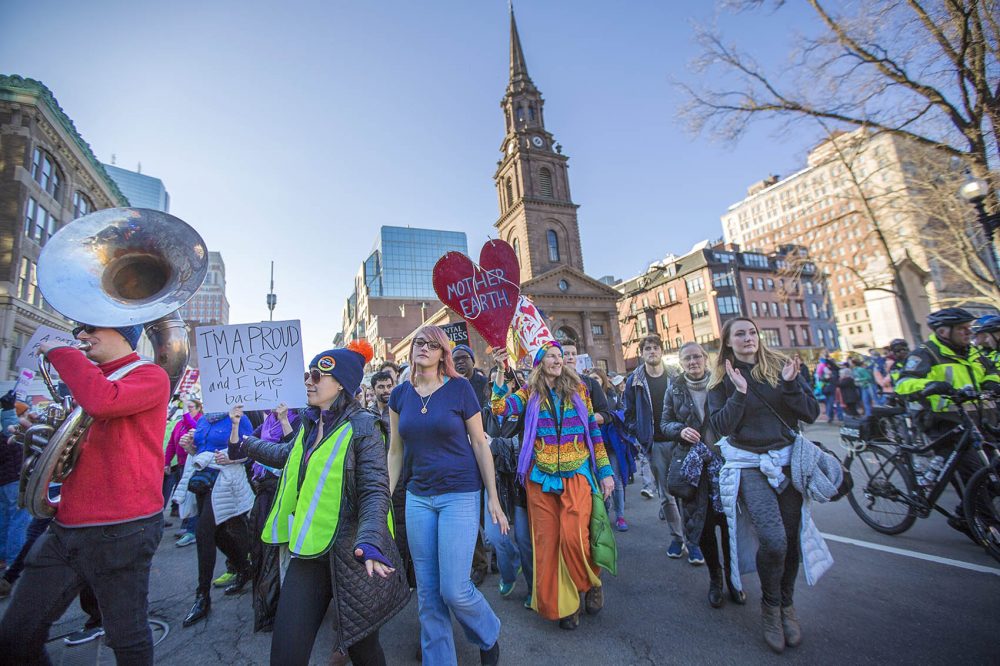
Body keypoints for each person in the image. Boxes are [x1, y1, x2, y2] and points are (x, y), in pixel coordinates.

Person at [0, 323, 168, 664]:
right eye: (78, 330)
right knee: (16, 633)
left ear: (124, 334)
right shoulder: (89, 379)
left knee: (127, 636)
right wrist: (38, 433)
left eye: (91, 329)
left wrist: (58, 351)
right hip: (67, 526)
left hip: (123, 529)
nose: (80, 337)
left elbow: (103, 402)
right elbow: (83, 447)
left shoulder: (151, 375)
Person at [242, 343, 409, 665]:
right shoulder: (309, 422)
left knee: (364, 651)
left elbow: (376, 490)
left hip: (354, 555)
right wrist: (246, 443)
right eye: (308, 374)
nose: (309, 381)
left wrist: (371, 539)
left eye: (318, 375)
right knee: (286, 654)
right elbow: (286, 457)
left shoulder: (364, 427)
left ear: (341, 384)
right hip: (309, 553)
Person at [388, 325, 505, 666]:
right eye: (417, 342)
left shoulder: (460, 389)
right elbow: (395, 451)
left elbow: (481, 445)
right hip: (418, 497)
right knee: (427, 591)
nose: (422, 347)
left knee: (453, 588)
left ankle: (487, 632)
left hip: (460, 494)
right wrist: (384, 496)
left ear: (442, 354)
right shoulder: (400, 395)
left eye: (430, 344)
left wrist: (493, 499)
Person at [708, 317, 823, 653]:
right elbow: (720, 427)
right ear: (728, 342)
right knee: (772, 541)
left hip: (786, 463)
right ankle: (770, 607)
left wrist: (790, 385)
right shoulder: (722, 381)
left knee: (791, 540)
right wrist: (739, 394)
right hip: (749, 465)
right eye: (740, 334)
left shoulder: (782, 369)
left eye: (752, 332)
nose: (748, 338)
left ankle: (787, 605)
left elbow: (811, 413)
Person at [491, 341, 615, 631]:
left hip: (577, 473)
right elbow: (498, 408)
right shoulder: (528, 392)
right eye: (550, 356)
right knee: (548, 546)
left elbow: (593, 432)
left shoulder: (579, 389)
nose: (557, 360)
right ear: (539, 363)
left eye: (560, 355)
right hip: (540, 477)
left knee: (574, 539)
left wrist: (606, 472)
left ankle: (591, 581)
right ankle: (567, 605)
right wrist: (500, 372)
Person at [896, 308, 1000, 534]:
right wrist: (929, 387)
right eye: (962, 329)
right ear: (944, 331)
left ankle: (965, 514)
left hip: (977, 421)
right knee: (975, 474)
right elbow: (903, 384)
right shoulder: (925, 354)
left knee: (993, 471)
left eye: (968, 328)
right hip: (943, 422)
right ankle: (989, 528)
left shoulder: (972, 352)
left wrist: (993, 382)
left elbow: (991, 371)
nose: (968, 333)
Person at [662, 342, 742, 602]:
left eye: (697, 357)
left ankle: (734, 580)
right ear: (681, 363)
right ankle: (715, 581)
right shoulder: (674, 388)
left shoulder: (720, 384)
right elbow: (665, 423)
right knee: (705, 527)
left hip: (726, 465)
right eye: (687, 358)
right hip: (695, 468)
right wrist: (679, 430)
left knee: (730, 526)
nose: (693, 362)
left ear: (706, 359)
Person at [181, 404, 254, 627]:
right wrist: (190, 448)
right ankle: (244, 568)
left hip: (225, 484)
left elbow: (251, 450)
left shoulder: (240, 417)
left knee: (204, 533)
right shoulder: (204, 420)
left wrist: (233, 458)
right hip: (203, 482)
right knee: (219, 533)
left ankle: (202, 596)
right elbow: (201, 449)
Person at [623, 334, 688, 559]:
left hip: (680, 441)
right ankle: (678, 538)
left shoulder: (677, 377)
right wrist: (640, 434)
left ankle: (693, 539)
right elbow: (628, 413)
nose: (652, 351)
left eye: (655, 348)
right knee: (666, 495)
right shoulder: (634, 381)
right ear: (642, 354)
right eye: (647, 348)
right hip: (655, 444)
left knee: (687, 492)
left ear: (661, 351)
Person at [451, 343, 493, 587]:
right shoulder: (451, 386)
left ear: (473, 361)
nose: (459, 362)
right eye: (454, 358)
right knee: (472, 515)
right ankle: (479, 564)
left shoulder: (485, 384)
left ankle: (498, 553)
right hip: (463, 460)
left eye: (463, 357)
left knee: (494, 509)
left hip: (489, 454)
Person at [590, 368, 633, 532]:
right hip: (594, 445)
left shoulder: (612, 395)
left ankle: (620, 515)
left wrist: (611, 416)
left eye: (597, 378)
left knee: (616, 480)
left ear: (602, 379)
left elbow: (623, 412)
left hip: (612, 444)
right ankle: (605, 514)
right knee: (599, 481)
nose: (594, 380)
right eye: (591, 378)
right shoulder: (585, 396)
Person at [165, 398, 203, 546]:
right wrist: (167, 462)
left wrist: (186, 413)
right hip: (181, 464)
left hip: (194, 464)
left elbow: (195, 429)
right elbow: (171, 445)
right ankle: (186, 525)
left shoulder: (200, 421)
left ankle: (191, 529)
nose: (188, 410)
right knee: (184, 497)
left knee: (191, 497)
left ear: (199, 408)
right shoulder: (179, 423)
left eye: (191, 407)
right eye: (187, 408)